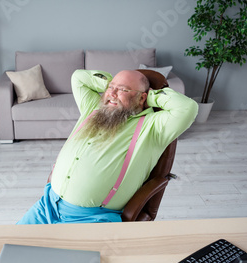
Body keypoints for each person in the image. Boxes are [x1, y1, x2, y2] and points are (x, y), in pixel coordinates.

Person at [16, 69, 198, 224]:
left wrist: (148, 96)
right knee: (10, 249)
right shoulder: (93, 108)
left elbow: (187, 108)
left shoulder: (153, 127)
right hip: (48, 205)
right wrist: (114, 88)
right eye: (111, 87)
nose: (112, 93)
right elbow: (78, 77)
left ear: (142, 97)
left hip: (92, 218)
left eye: (123, 90)